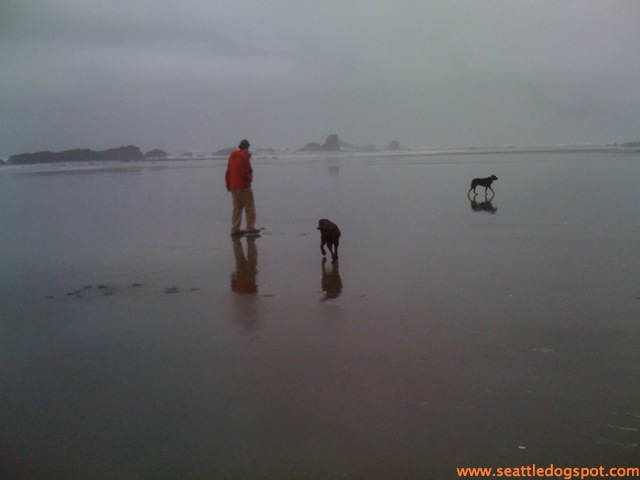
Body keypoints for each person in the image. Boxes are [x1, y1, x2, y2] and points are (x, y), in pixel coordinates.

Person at [225, 139, 257, 235]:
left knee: (237, 208)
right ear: (247, 147)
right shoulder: (244, 157)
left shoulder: (232, 157)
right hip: (243, 186)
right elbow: (246, 172)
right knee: (249, 206)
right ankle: (250, 228)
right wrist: (250, 179)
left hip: (233, 186)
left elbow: (228, 172)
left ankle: (235, 229)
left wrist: (228, 185)